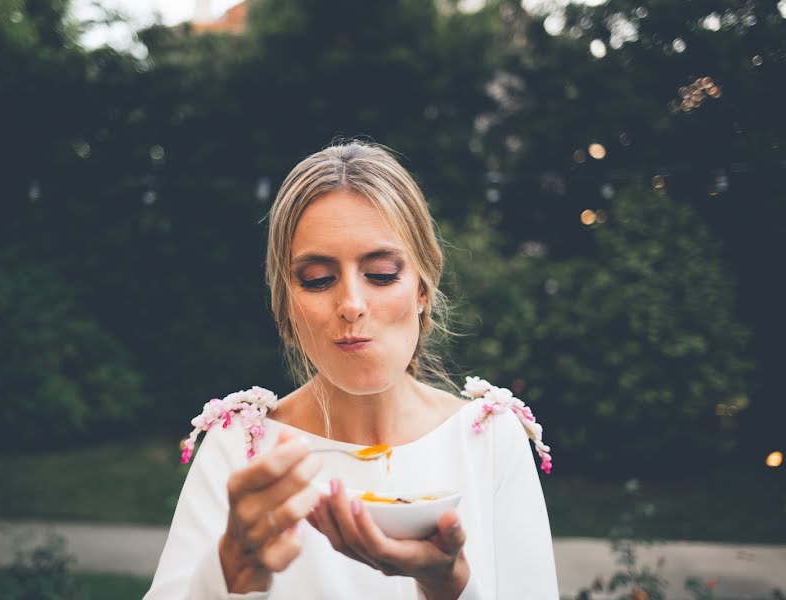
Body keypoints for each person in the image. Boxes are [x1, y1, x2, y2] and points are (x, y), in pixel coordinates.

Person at [144, 141, 559, 599]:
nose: (351, 305)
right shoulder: (241, 448)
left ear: (423, 287)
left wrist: (450, 585)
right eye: (318, 279)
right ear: (285, 303)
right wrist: (229, 577)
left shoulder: (488, 440)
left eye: (381, 273)